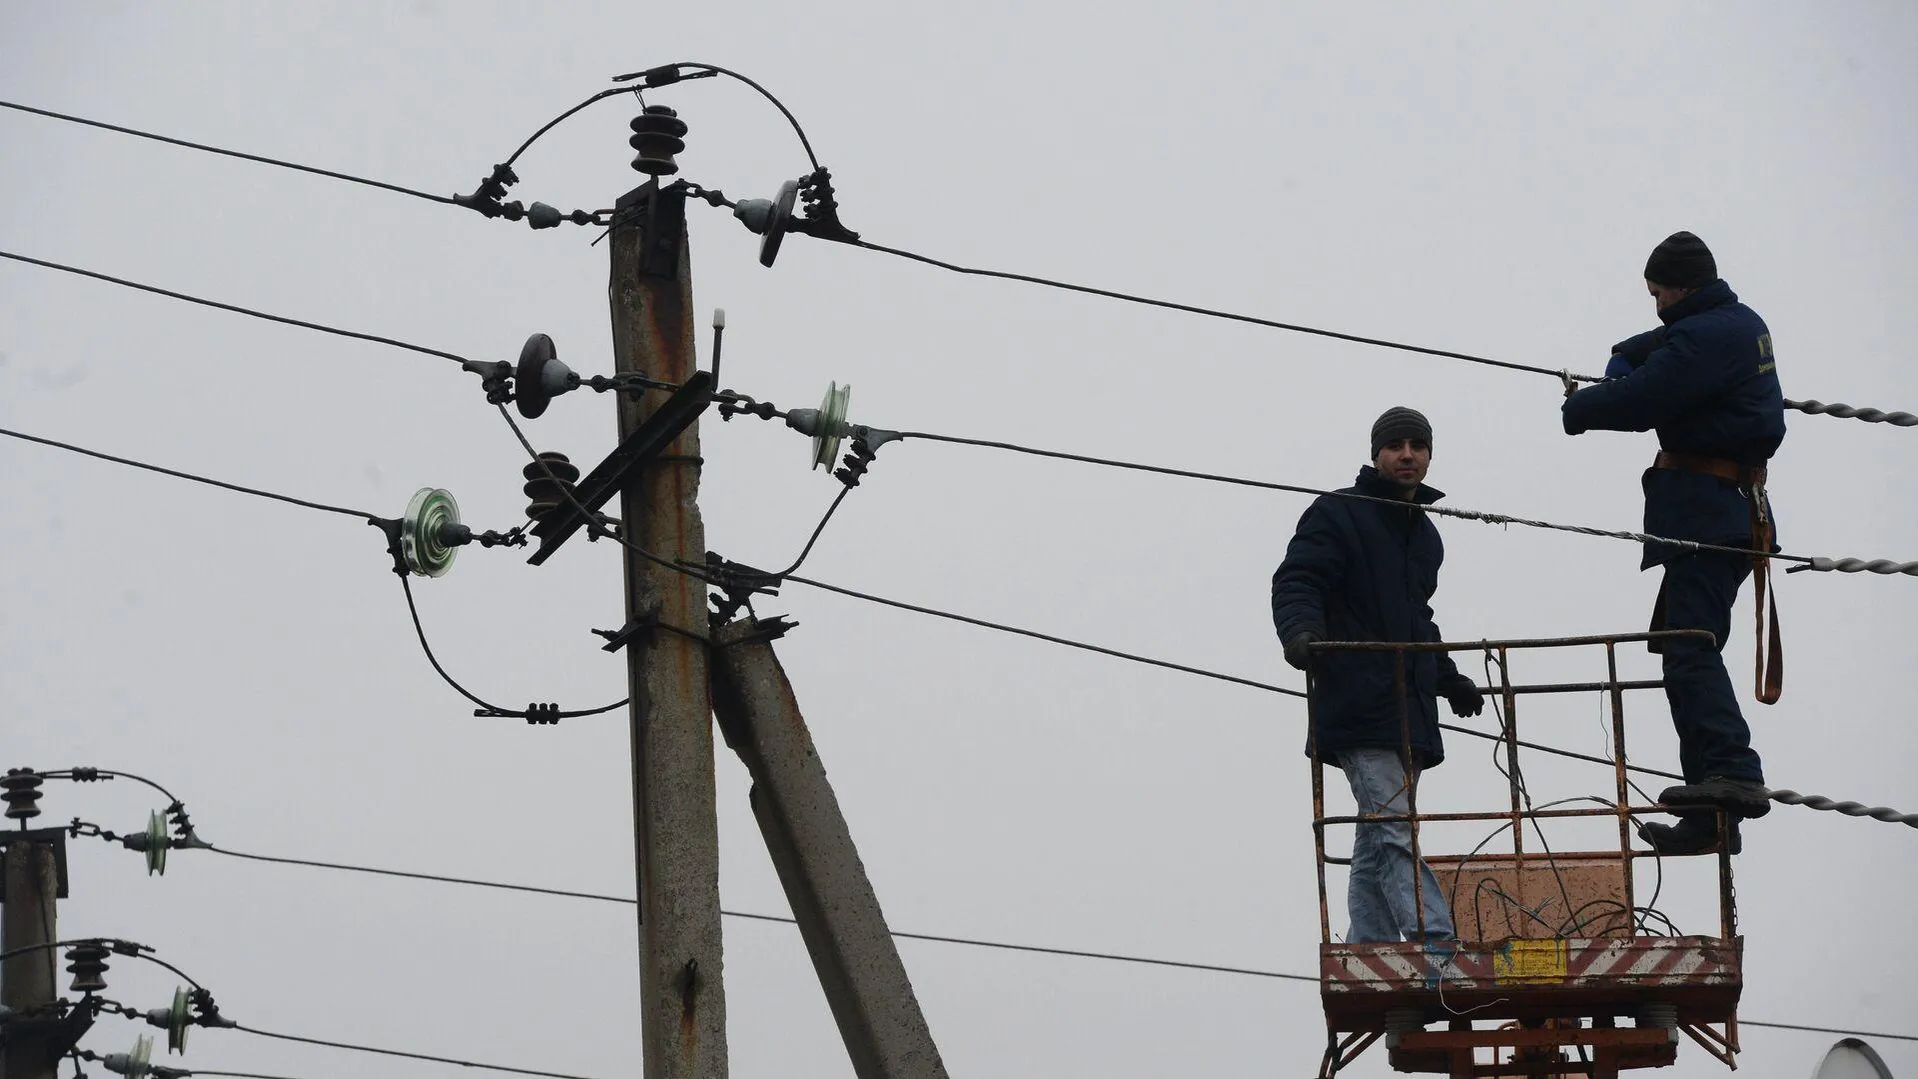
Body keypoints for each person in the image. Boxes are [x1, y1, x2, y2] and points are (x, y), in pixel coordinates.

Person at [1562, 231, 1785, 856]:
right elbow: (1652, 348)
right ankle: (1710, 813)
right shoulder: (1731, 324)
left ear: (1681, 286)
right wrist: (1622, 356)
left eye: (1658, 290)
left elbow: (1643, 400)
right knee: (1680, 645)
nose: (1655, 302)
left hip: (1710, 517)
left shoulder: (1707, 338)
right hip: (1721, 515)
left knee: (1690, 645)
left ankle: (1733, 772)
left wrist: (1582, 408)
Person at [1271, 407, 1485, 944]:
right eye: (1395, 446)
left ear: (1429, 455)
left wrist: (1448, 677)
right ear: (1376, 455)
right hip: (1358, 700)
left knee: (1378, 830)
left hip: (1409, 711)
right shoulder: (1339, 512)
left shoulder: (1424, 535)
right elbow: (1298, 579)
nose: (1407, 455)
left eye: (1417, 445)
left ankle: (1369, 943)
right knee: (1393, 826)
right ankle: (1435, 940)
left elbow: (1417, 620)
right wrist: (1300, 632)